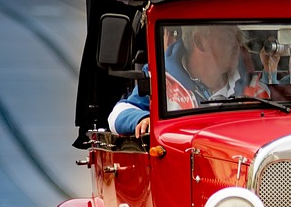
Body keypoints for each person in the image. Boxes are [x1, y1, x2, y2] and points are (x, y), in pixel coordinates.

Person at [109, 25, 274, 138]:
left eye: (237, 36)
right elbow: (118, 113)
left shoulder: (251, 85)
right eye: (228, 36)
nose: (237, 44)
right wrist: (143, 119)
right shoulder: (162, 77)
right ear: (199, 42)